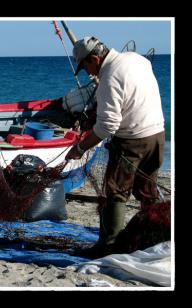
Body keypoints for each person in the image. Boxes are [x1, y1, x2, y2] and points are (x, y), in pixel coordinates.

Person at [66, 37, 165, 258]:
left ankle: (109, 246)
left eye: (86, 67)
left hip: (132, 141)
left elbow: (107, 126)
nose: (87, 73)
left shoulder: (109, 78)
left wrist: (81, 148)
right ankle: (154, 238)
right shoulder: (137, 59)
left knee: (116, 193)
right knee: (147, 191)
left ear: (95, 58)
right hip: (157, 135)